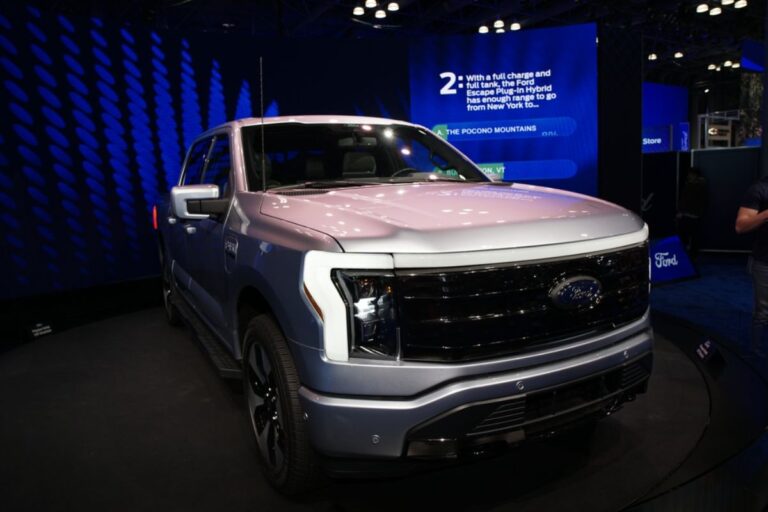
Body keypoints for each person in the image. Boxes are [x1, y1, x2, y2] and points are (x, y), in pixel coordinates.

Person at [735, 175, 768, 357]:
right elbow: (740, 226)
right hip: (765, 261)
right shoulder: (760, 189)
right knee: (763, 312)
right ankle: (757, 353)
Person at [677, 167, 708, 260]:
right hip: (690, 215)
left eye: (690, 174)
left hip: (691, 215)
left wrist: (681, 211)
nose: (689, 176)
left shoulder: (695, 186)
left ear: (695, 175)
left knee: (691, 237)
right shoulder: (697, 185)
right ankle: (689, 255)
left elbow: (687, 201)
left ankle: (689, 256)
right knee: (690, 237)